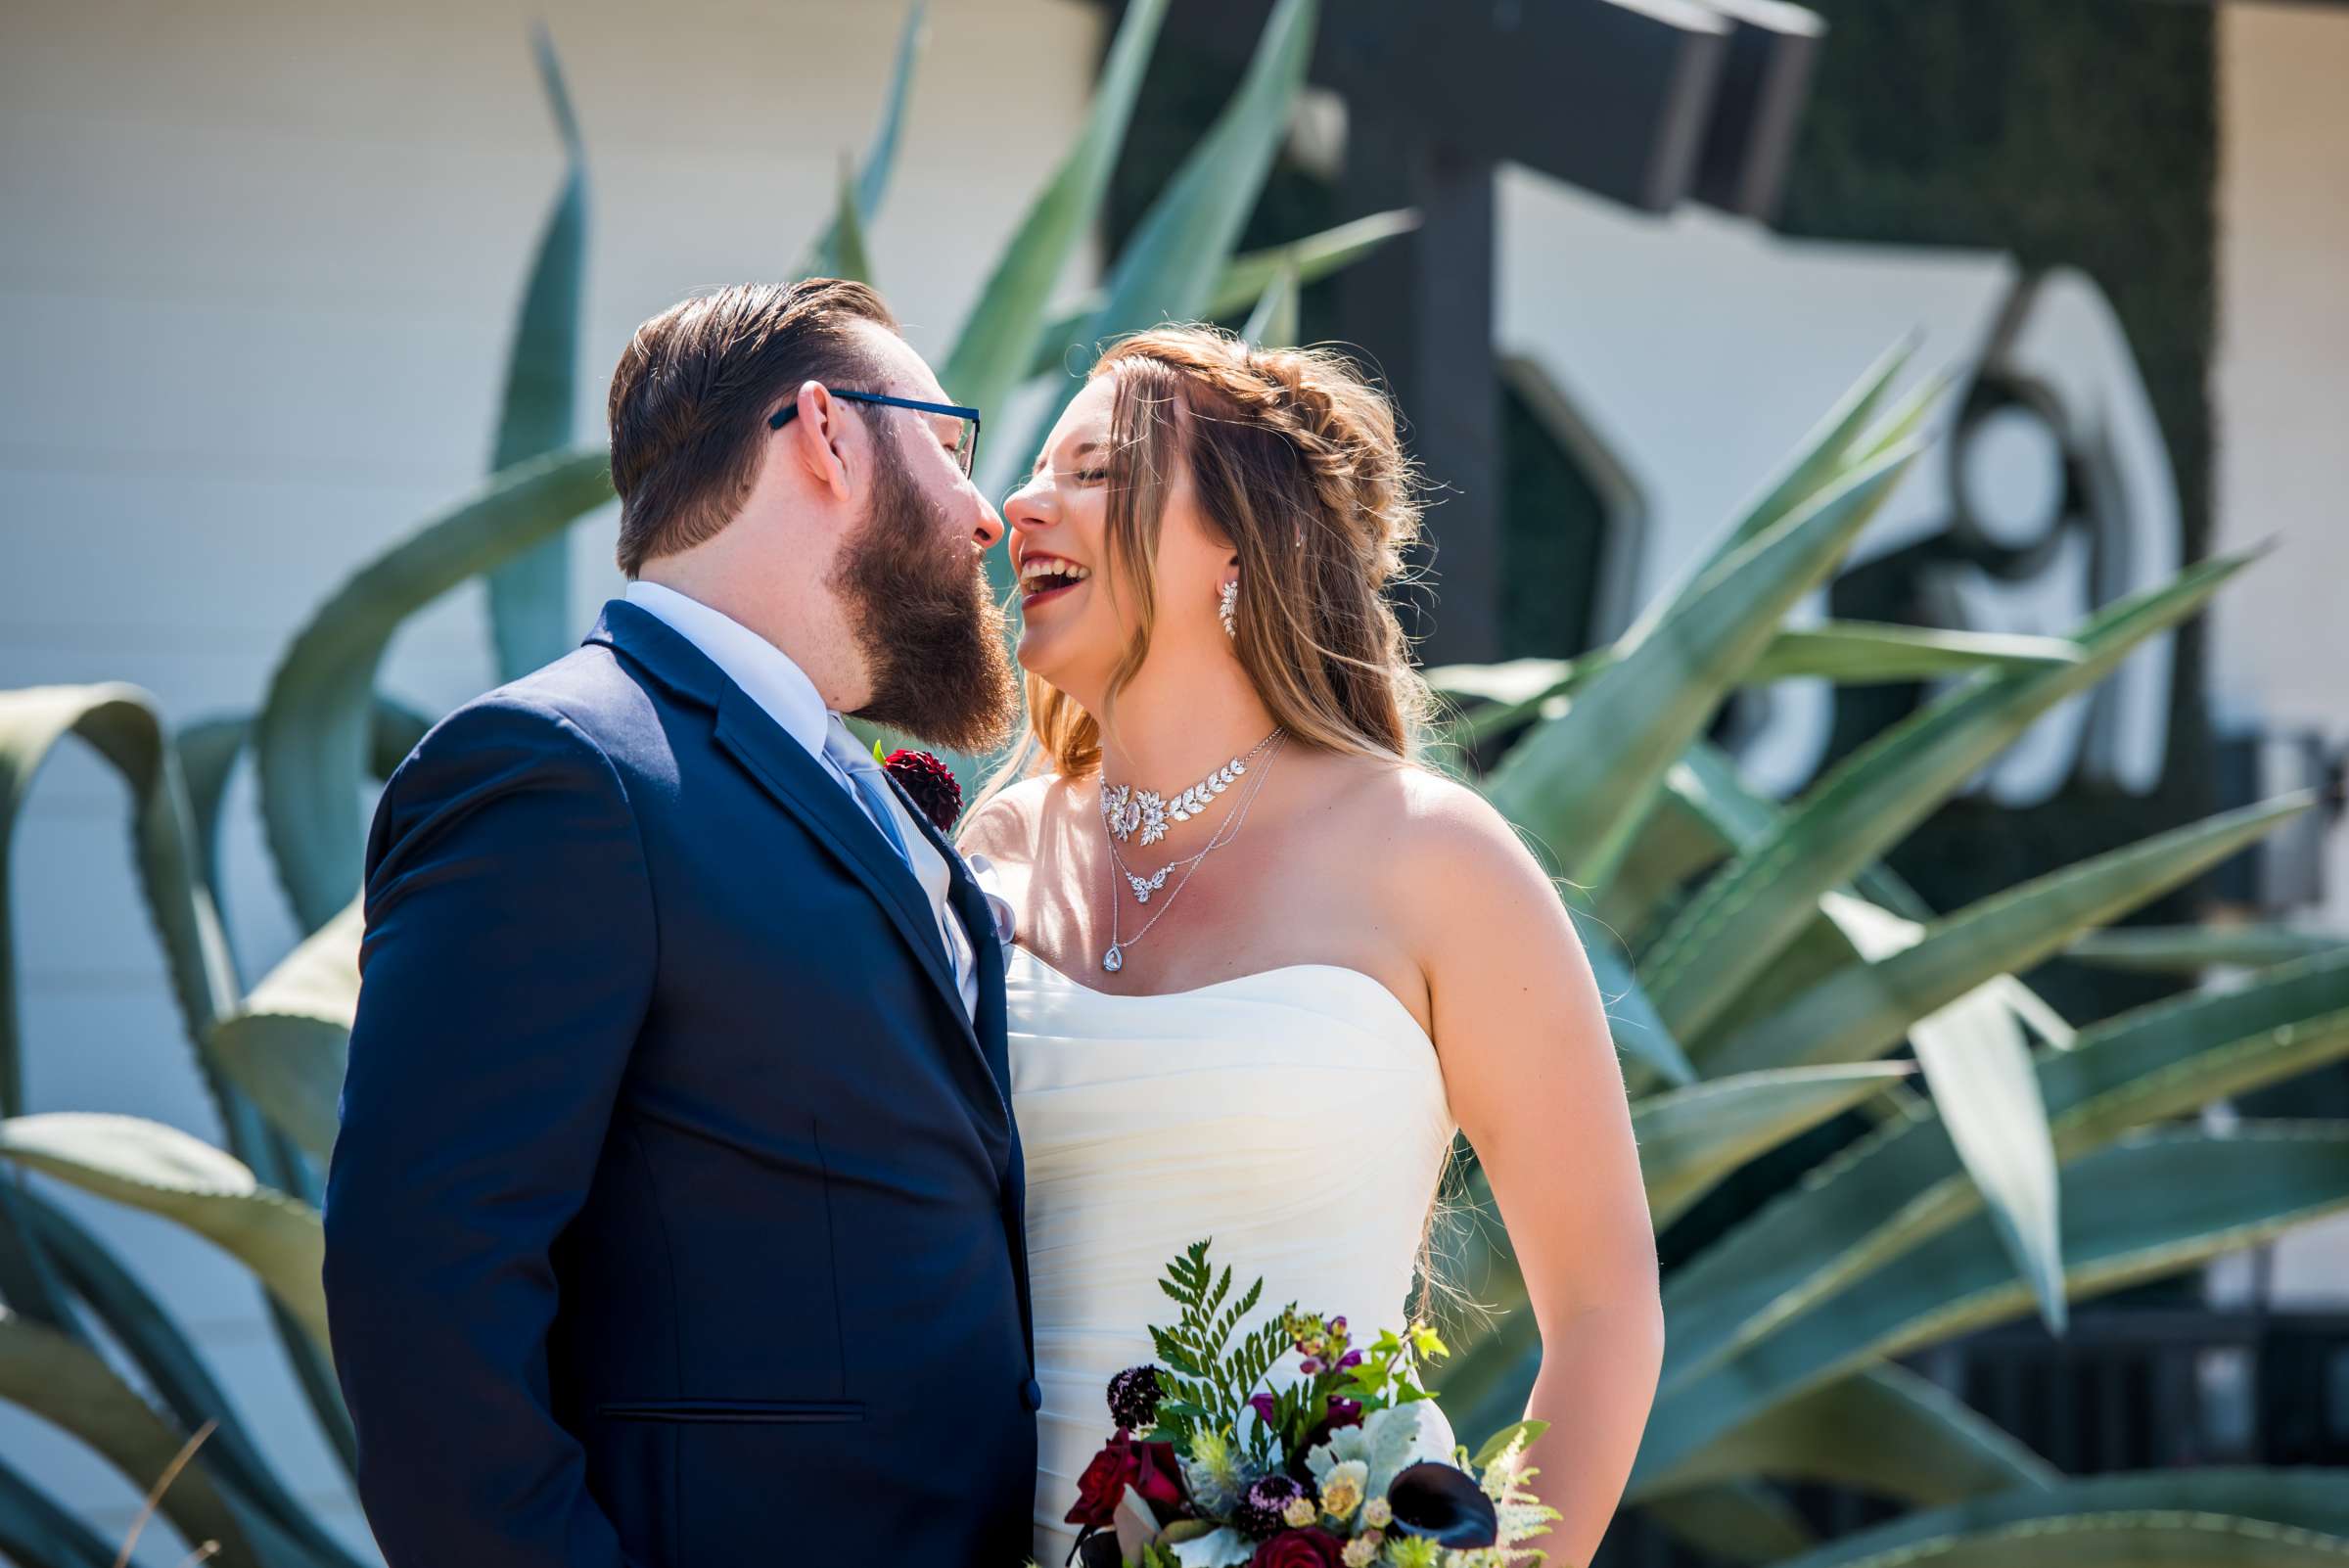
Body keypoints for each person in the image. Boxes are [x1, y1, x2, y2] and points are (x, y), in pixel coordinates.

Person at [321, 278, 1041, 1566]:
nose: (986, 513)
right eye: (948, 445)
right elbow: (425, 1297)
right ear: (826, 432)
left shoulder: (840, 783)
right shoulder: (558, 772)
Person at [959, 326, 1665, 1566]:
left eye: (1093, 470)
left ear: (1233, 542)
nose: (1022, 501)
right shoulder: (993, 855)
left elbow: (1606, 1315)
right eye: (1035, 469)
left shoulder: (1435, 859)